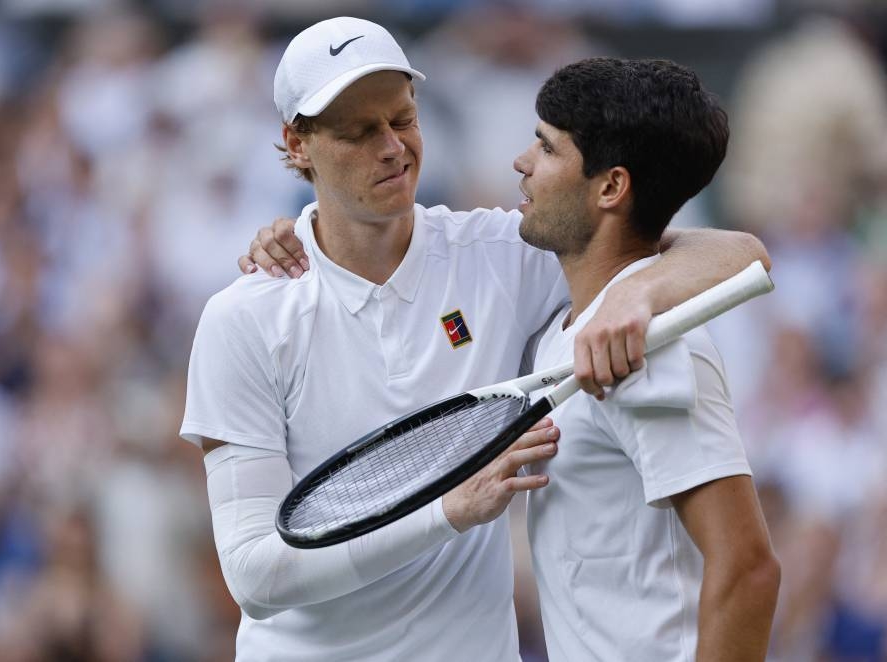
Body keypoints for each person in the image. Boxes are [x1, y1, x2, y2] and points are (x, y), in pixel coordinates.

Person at [187, 17, 767, 661]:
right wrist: (448, 513)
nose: (392, 148)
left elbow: (734, 253)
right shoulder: (242, 319)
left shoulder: (503, 250)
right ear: (297, 144)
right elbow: (256, 576)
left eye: (402, 120)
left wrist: (641, 291)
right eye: (359, 131)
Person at [513, 58, 779, 661]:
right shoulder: (584, 320)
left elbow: (749, 570)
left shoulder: (647, 353)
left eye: (547, 148)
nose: (522, 162)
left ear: (610, 187)